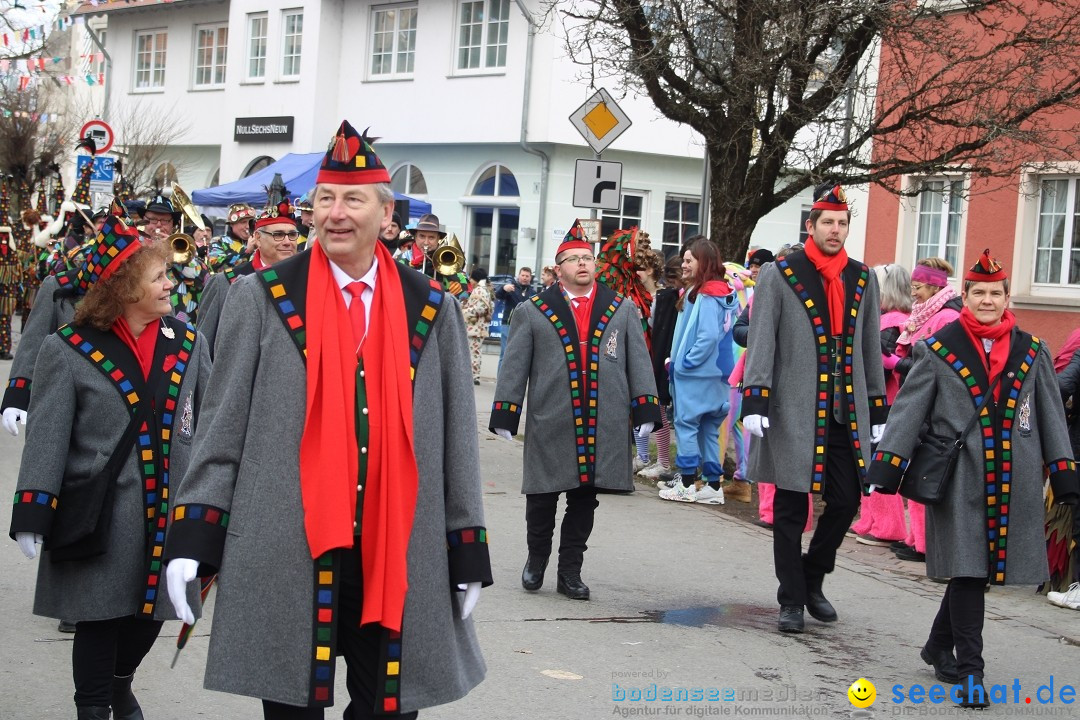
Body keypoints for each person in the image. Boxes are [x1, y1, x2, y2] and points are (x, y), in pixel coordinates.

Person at [163, 120, 491, 719]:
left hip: (396, 553)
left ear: (385, 216)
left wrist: (466, 546)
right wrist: (193, 535)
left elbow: (456, 446)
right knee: (291, 708)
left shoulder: (432, 309)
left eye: (353, 199)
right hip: (287, 548)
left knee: (387, 710)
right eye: (325, 199)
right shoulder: (261, 298)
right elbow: (222, 430)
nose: (336, 213)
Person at [8, 215, 209, 720]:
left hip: (169, 512)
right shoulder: (67, 348)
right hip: (103, 514)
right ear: (124, 287)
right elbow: (49, 437)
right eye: (159, 276)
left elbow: (210, 422)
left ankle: (120, 684)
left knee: (153, 616)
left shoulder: (188, 344)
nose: (171, 283)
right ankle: (94, 706)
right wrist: (33, 510)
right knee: (99, 620)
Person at [867, 250, 1078, 708]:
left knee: (976, 575)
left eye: (995, 293)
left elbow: (1049, 416)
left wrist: (1063, 473)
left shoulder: (1033, 350)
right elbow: (910, 408)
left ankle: (938, 646)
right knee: (967, 573)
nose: (986, 300)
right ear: (965, 297)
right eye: (978, 292)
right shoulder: (938, 348)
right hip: (959, 479)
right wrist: (887, 465)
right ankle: (971, 672)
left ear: (1006, 299)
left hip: (1013, 481)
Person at [741, 182, 887, 633]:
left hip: (844, 411)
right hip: (793, 407)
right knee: (790, 508)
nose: (836, 231)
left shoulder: (862, 277)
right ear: (811, 225)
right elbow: (762, 338)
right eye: (828, 222)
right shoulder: (780, 273)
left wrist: (877, 411)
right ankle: (791, 600)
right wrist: (755, 396)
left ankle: (812, 576)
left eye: (843, 224)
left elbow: (868, 350)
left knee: (846, 501)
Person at [490, 221, 661, 600]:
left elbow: (639, 361)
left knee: (585, 499)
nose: (582, 264)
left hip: (603, 419)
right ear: (559, 266)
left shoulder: (622, 309)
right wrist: (506, 411)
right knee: (542, 496)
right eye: (573, 259)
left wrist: (646, 407)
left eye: (587, 257)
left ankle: (570, 571)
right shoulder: (532, 311)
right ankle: (536, 560)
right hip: (551, 417)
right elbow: (515, 364)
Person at [892, 257, 962, 563]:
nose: (914, 293)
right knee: (913, 470)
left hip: (931, 407)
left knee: (923, 470)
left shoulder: (943, 318)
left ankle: (924, 544)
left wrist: (897, 363)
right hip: (922, 401)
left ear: (934, 286)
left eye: (918, 287)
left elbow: (933, 366)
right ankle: (914, 537)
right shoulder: (929, 314)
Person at [659, 237, 739, 504]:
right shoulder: (723, 292)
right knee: (708, 429)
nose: (683, 264)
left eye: (689, 260)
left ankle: (685, 483)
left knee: (686, 425)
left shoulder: (705, 295)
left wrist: (684, 364)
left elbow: (706, 337)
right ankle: (713, 486)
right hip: (718, 374)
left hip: (696, 375)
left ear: (702, 262)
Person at [848, 263, 912, 547]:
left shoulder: (890, 322)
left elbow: (877, 366)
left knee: (878, 460)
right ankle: (870, 520)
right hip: (882, 399)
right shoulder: (897, 319)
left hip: (885, 402)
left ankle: (887, 526)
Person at [197, 198, 300, 355]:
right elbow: (202, 349)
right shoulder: (223, 283)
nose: (287, 242)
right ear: (258, 238)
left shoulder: (307, 280)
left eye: (292, 235)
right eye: (278, 235)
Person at [632, 247, 668, 475]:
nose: (638, 273)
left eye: (643, 269)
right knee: (636, 406)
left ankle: (663, 461)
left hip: (655, 360)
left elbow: (660, 331)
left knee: (659, 410)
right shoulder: (635, 297)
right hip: (640, 359)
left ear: (654, 270)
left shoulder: (660, 298)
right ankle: (642, 455)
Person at [401, 213, 471, 301]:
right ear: (415, 236)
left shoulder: (446, 259)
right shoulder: (401, 260)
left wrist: (447, 275)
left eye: (431, 237)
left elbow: (464, 299)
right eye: (422, 236)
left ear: (438, 239)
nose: (426, 242)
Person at [494, 266, 533, 367]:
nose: (524, 278)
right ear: (518, 276)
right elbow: (498, 295)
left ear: (530, 278)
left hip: (524, 327)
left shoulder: (532, 292)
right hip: (508, 324)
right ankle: (501, 381)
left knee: (519, 355)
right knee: (505, 354)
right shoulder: (511, 287)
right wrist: (503, 289)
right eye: (523, 275)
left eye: (527, 276)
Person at [462, 267, 494, 385]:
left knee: (474, 351)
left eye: (471, 277)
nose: (469, 280)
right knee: (476, 350)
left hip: (475, 327)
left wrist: (464, 311)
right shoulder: (486, 289)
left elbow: (480, 308)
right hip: (480, 326)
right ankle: (474, 374)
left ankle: (474, 375)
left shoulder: (479, 290)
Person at [207, 203, 256, 272]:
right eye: (243, 222)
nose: (247, 226)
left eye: (250, 222)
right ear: (231, 224)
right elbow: (218, 267)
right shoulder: (218, 241)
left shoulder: (257, 241)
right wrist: (247, 252)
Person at [0, 223, 17, 360]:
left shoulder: (12, 253)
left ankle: (4, 348)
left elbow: (16, 274)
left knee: (5, 320)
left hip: (6, 293)